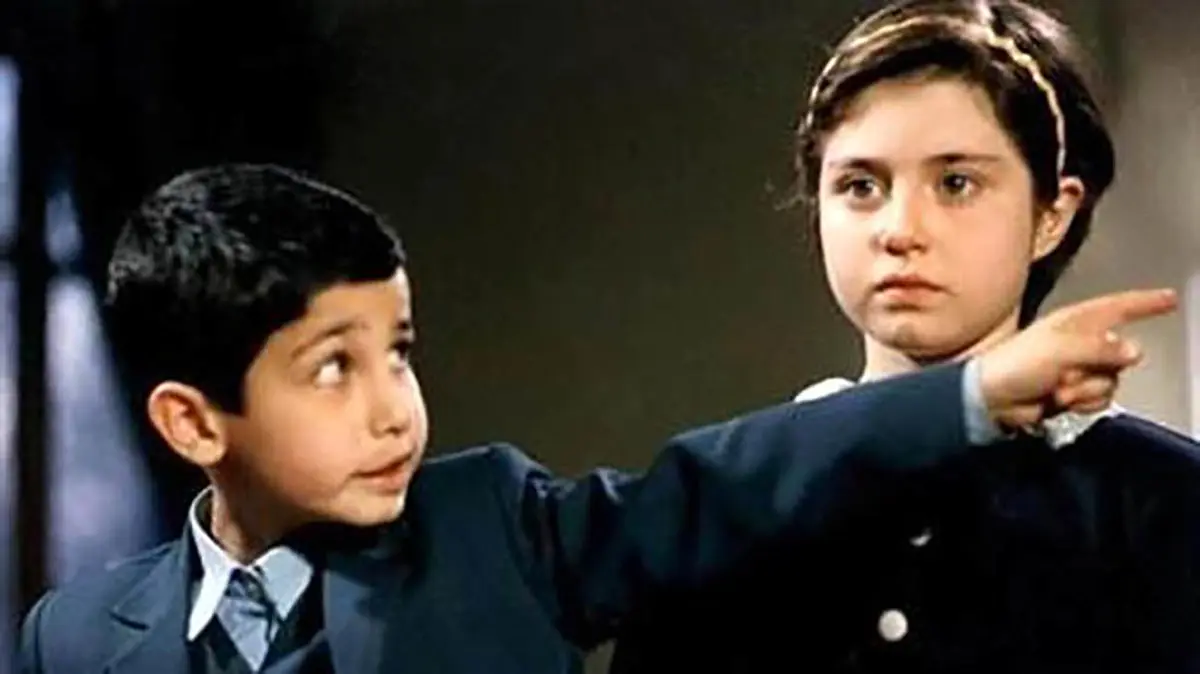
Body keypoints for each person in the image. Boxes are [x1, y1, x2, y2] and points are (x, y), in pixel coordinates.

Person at [17, 163, 1167, 674]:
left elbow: (726, 479)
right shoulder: (68, 637)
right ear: (192, 422)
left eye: (399, 352)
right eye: (331, 369)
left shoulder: (492, 528)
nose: (393, 409)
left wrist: (970, 397)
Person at [608, 1, 1200, 672]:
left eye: (956, 184)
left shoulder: (1166, 508)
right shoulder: (725, 510)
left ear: (1051, 215)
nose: (900, 230)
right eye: (860, 186)